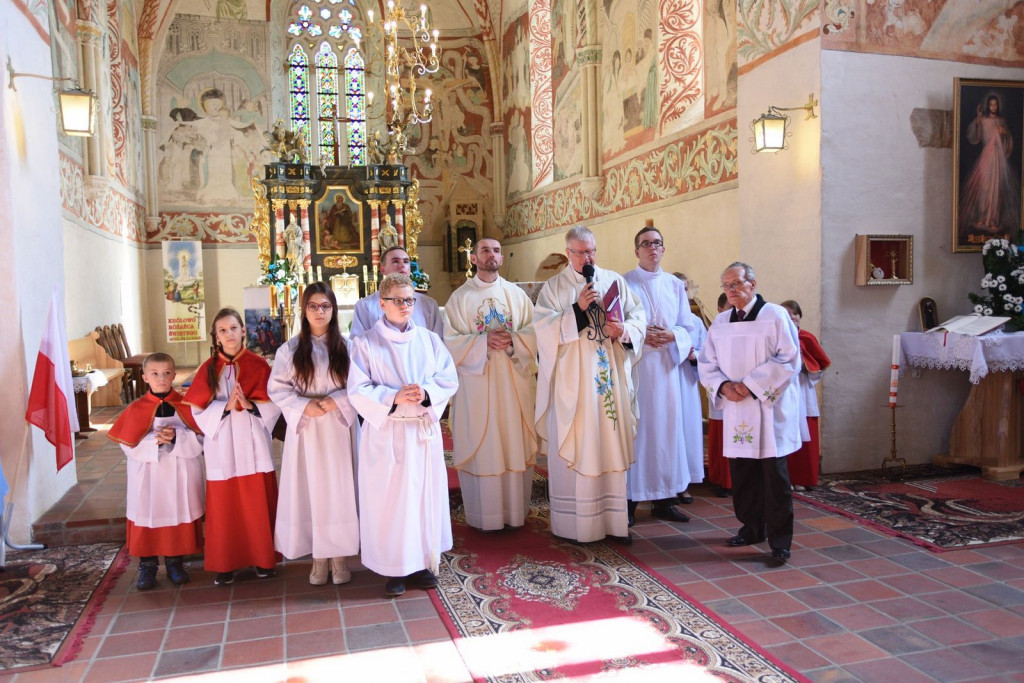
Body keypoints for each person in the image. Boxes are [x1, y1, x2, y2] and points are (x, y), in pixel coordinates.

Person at [348, 273, 459, 597]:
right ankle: (393, 568)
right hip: (389, 433)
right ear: (382, 303)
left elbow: (448, 379)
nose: (405, 305)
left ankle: (423, 562)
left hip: (421, 431)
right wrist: (392, 397)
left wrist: (425, 392)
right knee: (391, 503)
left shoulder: (428, 340)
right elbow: (356, 390)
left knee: (423, 499)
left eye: (410, 299)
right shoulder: (366, 343)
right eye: (398, 300)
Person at [534, 225, 646, 544]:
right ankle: (576, 526)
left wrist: (623, 331)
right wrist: (577, 311)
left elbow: (639, 319)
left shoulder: (615, 281)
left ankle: (613, 522)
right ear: (568, 253)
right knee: (581, 442)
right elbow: (542, 331)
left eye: (592, 251)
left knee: (608, 441)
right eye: (581, 252)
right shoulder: (554, 287)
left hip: (609, 379)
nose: (588, 257)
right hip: (575, 384)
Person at [697, 262, 801, 567]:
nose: (730, 291)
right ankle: (751, 528)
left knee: (774, 478)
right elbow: (706, 363)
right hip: (737, 408)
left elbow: (789, 359)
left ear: (752, 284)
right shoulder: (720, 322)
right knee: (742, 475)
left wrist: (752, 385)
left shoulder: (775, 315)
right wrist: (724, 386)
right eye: (726, 286)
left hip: (767, 409)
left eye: (736, 284)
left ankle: (780, 541)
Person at [443, 237, 538, 531]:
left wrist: (513, 342)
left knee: (512, 440)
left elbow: (535, 332)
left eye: (496, 250)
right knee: (485, 444)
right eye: (485, 250)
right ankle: (485, 518)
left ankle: (514, 514)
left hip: (512, 384)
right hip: (478, 386)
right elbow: (450, 342)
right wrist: (483, 342)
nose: (492, 255)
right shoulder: (459, 298)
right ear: (474, 258)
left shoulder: (517, 295)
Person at [184, 308, 282, 585]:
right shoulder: (207, 369)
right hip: (223, 444)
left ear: (243, 331)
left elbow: (273, 404)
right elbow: (197, 412)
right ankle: (226, 563)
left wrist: (251, 405)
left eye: (233, 328)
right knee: (225, 505)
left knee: (257, 501)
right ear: (215, 336)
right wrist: (224, 407)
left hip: (253, 442)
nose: (229, 334)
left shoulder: (259, 365)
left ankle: (264, 560)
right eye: (222, 330)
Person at [269, 283, 359, 585]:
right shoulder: (290, 349)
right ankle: (319, 559)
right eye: (313, 306)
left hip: (338, 426)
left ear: (334, 310)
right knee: (312, 490)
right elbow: (277, 389)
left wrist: (337, 400)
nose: (319, 311)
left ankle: (340, 557)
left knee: (340, 490)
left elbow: (362, 386)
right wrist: (303, 406)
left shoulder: (348, 347)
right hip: (307, 428)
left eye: (325, 306)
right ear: (304, 310)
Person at [622, 226, 703, 525]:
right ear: (637, 251)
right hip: (639, 369)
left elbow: (688, 326)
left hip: (667, 371)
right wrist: (643, 336)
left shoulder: (674, 285)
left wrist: (670, 335)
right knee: (639, 433)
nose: (652, 248)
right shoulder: (624, 282)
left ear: (663, 249)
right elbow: (617, 325)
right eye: (645, 244)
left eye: (657, 243)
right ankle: (630, 502)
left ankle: (665, 499)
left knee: (668, 432)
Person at [108, 352, 204, 590]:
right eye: (154, 374)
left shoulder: (186, 405)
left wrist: (176, 438)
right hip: (148, 473)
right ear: (144, 377)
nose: (161, 378)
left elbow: (201, 438)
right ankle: (147, 566)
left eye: (166, 373)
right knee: (147, 514)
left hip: (179, 469)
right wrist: (154, 440)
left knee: (176, 512)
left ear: (173, 374)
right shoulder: (135, 408)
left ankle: (175, 563)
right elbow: (127, 443)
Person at [780, 300, 832, 491]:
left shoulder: (807, 338)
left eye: (796, 314)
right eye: (788, 314)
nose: (793, 318)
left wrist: (806, 368)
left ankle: (805, 478)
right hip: (784, 391)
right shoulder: (777, 337)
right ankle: (787, 478)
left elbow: (820, 365)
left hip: (803, 389)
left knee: (806, 435)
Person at [958, 93, 1021, 240]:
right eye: (991, 104)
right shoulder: (984, 120)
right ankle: (982, 216)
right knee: (984, 187)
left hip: (998, 158)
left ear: (998, 106)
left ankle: (993, 219)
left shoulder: (1001, 121)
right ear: (988, 106)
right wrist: (978, 120)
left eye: (995, 104)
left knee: (996, 188)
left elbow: (1008, 139)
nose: (993, 106)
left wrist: (1004, 133)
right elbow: (976, 137)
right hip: (986, 156)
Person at [350, 246, 444, 337]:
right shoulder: (365, 306)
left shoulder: (428, 304)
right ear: (383, 269)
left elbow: (438, 341)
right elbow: (358, 343)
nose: (402, 265)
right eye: (395, 261)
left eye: (406, 262)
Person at [705, 292, 733, 497]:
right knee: (722, 437)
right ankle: (722, 479)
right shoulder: (715, 330)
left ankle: (738, 481)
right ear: (720, 310)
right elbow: (707, 361)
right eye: (729, 309)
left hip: (744, 391)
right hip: (723, 389)